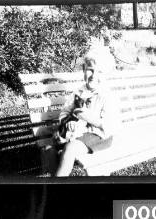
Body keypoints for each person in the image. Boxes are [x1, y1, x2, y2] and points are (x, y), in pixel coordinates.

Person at [55, 46, 117, 177]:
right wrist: (68, 122)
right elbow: (65, 112)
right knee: (51, 146)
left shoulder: (107, 95)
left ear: (106, 75)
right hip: (77, 133)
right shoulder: (78, 92)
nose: (94, 75)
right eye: (90, 70)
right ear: (84, 70)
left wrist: (88, 118)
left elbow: (109, 125)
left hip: (99, 136)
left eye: (100, 72)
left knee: (69, 149)